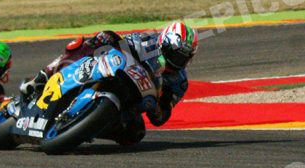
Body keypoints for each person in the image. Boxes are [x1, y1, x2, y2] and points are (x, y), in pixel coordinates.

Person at [20, 22, 198, 145]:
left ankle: (86, 127)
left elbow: (161, 117)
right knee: (81, 44)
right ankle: (43, 76)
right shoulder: (146, 40)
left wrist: (157, 107)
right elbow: (117, 40)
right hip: (118, 72)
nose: (178, 61)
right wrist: (107, 40)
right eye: (176, 54)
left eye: (184, 57)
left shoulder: (179, 82)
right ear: (164, 44)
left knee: (135, 133)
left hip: (133, 100)